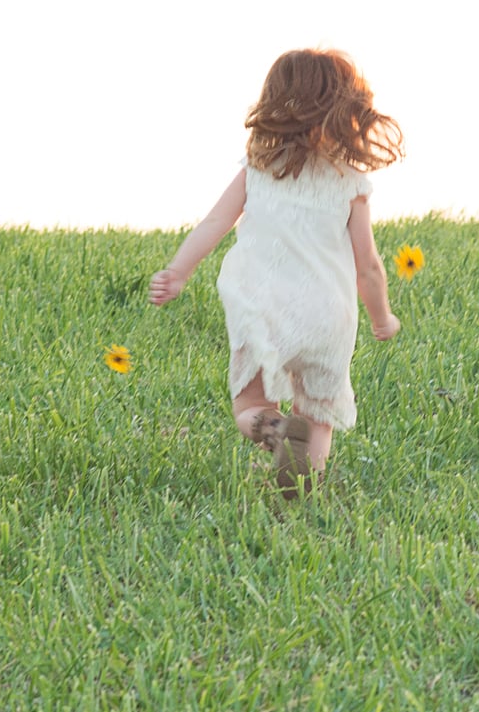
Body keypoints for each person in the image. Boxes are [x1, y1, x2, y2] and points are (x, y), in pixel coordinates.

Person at [150, 49, 403, 497]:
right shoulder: (350, 182)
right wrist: (382, 318)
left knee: (250, 403)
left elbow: (215, 223)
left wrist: (178, 270)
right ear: (347, 110)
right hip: (328, 315)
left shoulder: (259, 170)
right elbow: (369, 266)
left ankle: (274, 429)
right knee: (319, 414)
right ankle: (299, 490)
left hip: (261, 308)